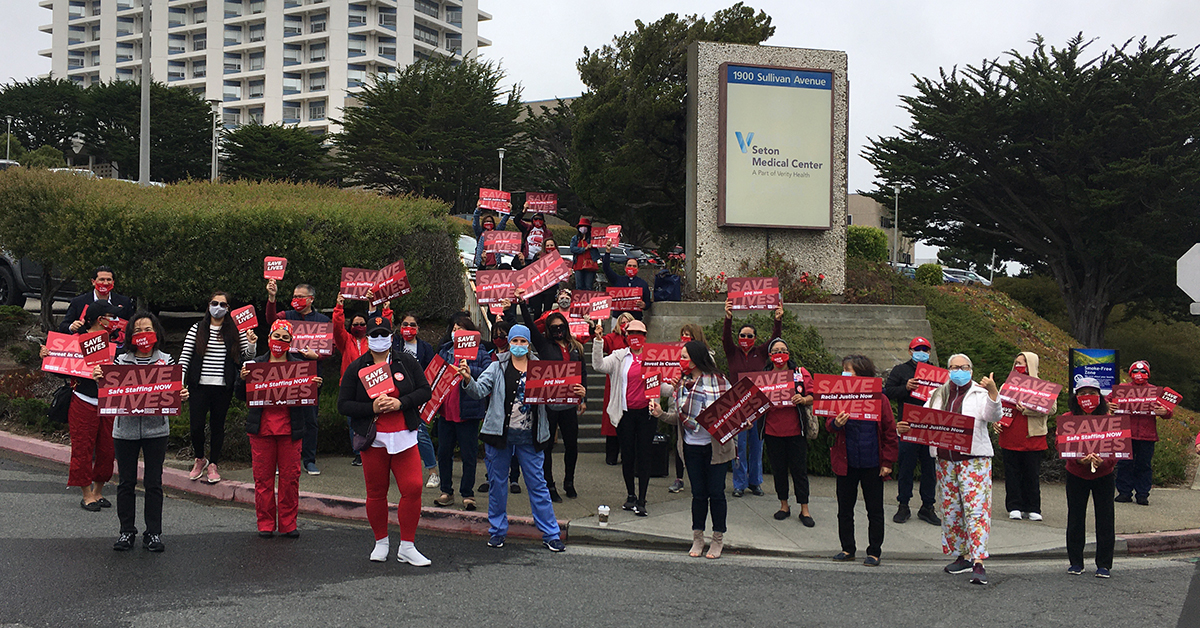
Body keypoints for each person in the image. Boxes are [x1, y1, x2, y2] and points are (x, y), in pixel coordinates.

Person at [458, 324, 573, 552]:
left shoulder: (541, 368)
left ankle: (550, 533)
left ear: (529, 344)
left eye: (523, 342)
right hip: (499, 435)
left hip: (530, 437)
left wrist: (573, 395)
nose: (519, 346)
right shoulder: (496, 366)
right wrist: (468, 379)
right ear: (509, 343)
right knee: (497, 485)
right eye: (515, 341)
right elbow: (480, 391)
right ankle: (497, 531)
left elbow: (554, 403)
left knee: (538, 485)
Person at [338, 315, 433, 565]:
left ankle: (408, 545)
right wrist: (373, 408)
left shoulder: (407, 362)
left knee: (413, 488)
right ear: (367, 338)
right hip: (374, 439)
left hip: (405, 436)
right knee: (376, 492)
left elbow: (425, 390)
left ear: (392, 337)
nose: (379, 339)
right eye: (374, 335)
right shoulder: (356, 367)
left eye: (384, 334)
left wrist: (401, 402)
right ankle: (381, 541)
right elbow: (343, 405)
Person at [903, 353, 1001, 585]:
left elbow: (994, 415)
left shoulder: (979, 392)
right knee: (952, 510)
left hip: (973, 460)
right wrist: (905, 427)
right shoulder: (938, 394)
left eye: (963, 367)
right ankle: (963, 556)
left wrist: (994, 392)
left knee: (976, 510)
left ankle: (979, 561)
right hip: (946, 460)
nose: (958, 370)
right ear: (947, 370)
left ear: (971, 370)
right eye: (953, 367)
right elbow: (924, 421)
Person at [235, 320, 320, 538]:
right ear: (269, 338)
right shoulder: (255, 364)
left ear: (291, 342)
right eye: (277, 336)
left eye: (285, 338)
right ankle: (265, 523)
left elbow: (309, 399)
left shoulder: (300, 366)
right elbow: (240, 396)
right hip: (261, 430)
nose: (280, 341)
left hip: (291, 430)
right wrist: (241, 380)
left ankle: (288, 524)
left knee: (290, 479)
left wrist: (314, 385)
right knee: (262, 479)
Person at [110, 311, 186, 552]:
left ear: (157, 333)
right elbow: (109, 390)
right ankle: (126, 532)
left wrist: (181, 394)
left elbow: (175, 391)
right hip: (125, 431)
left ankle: (153, 532)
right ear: (131, 335)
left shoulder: (167, 361)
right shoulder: (120, 361)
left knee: (154, 483)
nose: (143, 334)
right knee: (126, 483)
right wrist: (100, 376)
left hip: (156, 430)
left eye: (148, 329)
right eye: (138, 330)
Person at [650, 341, 732, 559]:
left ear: (696, 358)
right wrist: (660, 414)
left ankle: (717, 539)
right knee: (698, 495)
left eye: (685, 355)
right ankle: (698, 538)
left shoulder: (720, 381)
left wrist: (743, 421)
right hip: (692, 448)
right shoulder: (682, 385)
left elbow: (733, 411)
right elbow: (679, 417)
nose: (681, 359)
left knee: (716, 494)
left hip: (717, 449)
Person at [41, 301, 122, 511]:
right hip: (83, 401)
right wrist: (47, 356)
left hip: (108, 404)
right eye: (110, 316)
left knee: (107, 449)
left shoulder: (116, 344)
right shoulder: (75, 342)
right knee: (82, 449)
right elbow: (62, 370)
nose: (114, 321)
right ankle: (86, 494)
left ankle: (98, 490)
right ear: (99, 319)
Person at [513, 290, 588, 502]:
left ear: (566, 328)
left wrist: (584, 397)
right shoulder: (545, 346)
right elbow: (529, 326)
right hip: (548, 404)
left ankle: (569, 482)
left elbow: (582, 373)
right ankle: (550, 484)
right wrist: (522, 302)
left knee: (571, 444)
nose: (557, 330)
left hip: (569, 403)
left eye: (560, 327)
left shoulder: (577, 348)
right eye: (553, 327)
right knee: (546, 445)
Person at [179, 291, 256, 484]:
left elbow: (246, 358)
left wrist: (252, 343)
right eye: (215, 303)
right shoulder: (197, 329)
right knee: (196, 426)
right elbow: (184, 358)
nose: (218, 307)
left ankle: (213, 463)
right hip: (198, 386)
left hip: (223, 387)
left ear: (228, 308)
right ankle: (200, 459)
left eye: (223, 304)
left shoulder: (235, 331)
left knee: (217, 426)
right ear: (208, 305)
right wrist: (179, 383)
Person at [829, 355, 898, 566]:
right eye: (844, 370)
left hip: (872, 464)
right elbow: (829, 425)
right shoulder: (839, 396)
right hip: (846, 462)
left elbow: (890, 432)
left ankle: (874, 551)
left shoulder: (880, 399)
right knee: (844, 510)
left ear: (862, 373)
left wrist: (887, 462)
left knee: (874, 510)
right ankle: (847, 548)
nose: (845, 374)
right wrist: (836, 423)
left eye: (849, 370)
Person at [266, 280, 330, 476]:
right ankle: (280, 459)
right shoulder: (287, 316)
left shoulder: (323, 321)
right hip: (285, 374)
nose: (296, 300)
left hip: (310, 375)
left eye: (300, 297)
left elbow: (330, 349)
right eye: (294, 296)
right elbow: (270, 321)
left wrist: (317, 356)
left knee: (310, 419)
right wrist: (272, 297)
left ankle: (309, 460)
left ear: (311, 299)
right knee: (283, 417)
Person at [592, 317, 655, 516]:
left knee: (644, 456)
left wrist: (675, 385)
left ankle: (643, 498)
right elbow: (599, 366)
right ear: (626, 336)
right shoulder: (619, 356)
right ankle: (630, 495)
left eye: (640, 334)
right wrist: (598, 342)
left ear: (645, 336)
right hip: (625, 413)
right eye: (631, 333)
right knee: (627, 455)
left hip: (647, 413)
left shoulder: (653, 357)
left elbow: (662, 385)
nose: (635, 337)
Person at [722, 299, 784, 498]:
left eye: (749, 335)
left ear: (755, 338)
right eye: (742, 335)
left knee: (757, 446)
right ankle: (739, 483)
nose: (745, 338)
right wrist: (728, 318)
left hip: (757, 404)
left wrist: (778, 320)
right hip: (737, 404)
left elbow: (776, 339)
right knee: (739, 447)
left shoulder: (760, 353)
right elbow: (725, 338)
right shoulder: (732, 353)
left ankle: (755, 482)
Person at [882, 336, 941, 526]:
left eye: (925, 349)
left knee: (929, 469)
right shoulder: (901, 370)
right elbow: (888, 392)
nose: (921, 352)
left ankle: (928, 506)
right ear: (910, 351)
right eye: (918, 349)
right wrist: (905, 388)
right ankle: (903, 505)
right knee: (906, 467)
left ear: (929, 352)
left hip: (931, 426)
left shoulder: (938, 373)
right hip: (908, 425)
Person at [433, 315, 489, 511]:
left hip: (468, 413)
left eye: (462, 329)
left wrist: (468, 370)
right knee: (444, 452)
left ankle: (468, 493)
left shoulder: (481, 351)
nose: (457, 332)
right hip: (446, 412)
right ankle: (446, 491)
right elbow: (433, 376)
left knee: (469, 455)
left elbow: (486, 375)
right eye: (455, 329)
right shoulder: (445, 350)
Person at [1062, 377, 1116, 578]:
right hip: (1076, 474)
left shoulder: (1110, 420)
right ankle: (1076, 562)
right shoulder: (1067, 418)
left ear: (1099, 396)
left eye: (1092, 393)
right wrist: (1079, 460)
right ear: (1076, 397)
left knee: (1105, 519)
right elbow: (1064, 447)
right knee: (1075, 518)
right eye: (1083, 393)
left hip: (1104, 475)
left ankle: (1104, 564)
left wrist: (1104, 461)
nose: (1087, 397)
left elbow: (1117, 449)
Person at [332, 293, 392, 466]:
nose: (359, 326)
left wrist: (385, 311)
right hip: (352, 386)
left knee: (378, 418)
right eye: (355, 324)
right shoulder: (345, 341)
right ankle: (358, 451)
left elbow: (384, 329)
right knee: (354, 422)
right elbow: (337, 327)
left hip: (375, 381)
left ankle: (378, 448)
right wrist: (339, 308)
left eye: (362, 324)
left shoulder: (373, 341)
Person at [763, 338, 816, 527]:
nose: (779, 353)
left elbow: (814, 396)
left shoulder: (799, 373)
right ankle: (784, 505)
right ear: (770, 355)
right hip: (772, 431)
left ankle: (805, 509)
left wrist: (803, 399)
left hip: (796, 430)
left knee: (799, 471)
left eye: (783, 349)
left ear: (788, 353)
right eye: (775, 350)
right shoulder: (764, 376)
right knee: (779, 470)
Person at [993, 351, 1049, 521]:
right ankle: (1014, 506)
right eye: (1016, 363)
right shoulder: (1006, 385)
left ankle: (1033, 507)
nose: (1019, 366)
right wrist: (995, 421)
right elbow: (997, 406)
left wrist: (1027, 409)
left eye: (1023, 363)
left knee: (1031, 473)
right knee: (1012, 473)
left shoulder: (1042, 386)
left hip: (1032, 437)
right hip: (1010, 435)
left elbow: (1051, 409)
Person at [1113, 360, 1172, 505]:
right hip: (1125, 434)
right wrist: (1109, 406)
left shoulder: (1155, 391)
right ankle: (1124, 492)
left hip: (1147, 435)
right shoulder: (1122, 389)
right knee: (1124, 464)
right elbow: (1107, 403)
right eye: (1135, 371)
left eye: (1143, 372)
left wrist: (1165, 412)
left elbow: (1167, 411)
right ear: (1130, 373)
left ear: (1148, 374)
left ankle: (1142, 494)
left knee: (1144, 465)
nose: (1139, 375)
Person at [396, 312, 440, 489]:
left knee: (420, 433)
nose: (408, 328)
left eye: (412, 325)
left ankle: (433, 472)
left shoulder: (426, 348)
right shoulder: (394, 344)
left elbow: (431, 372)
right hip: (396, 395)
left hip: (417, 397)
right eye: (405, 324)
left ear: (418, 328)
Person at [599, 312, 635, 466]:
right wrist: (598, 337)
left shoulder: (635, 339)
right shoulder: (612, 338)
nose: (624, 324)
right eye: (622, 321)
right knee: (612, 421)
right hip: (614, 385)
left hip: (632, 386)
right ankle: (611, 455)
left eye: (627, 322)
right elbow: (603, 347)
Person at [58, 266, 134, 334]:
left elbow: (132, 325)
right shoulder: (78, 302)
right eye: (101, 279)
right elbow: (63, 326)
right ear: (93, 282)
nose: (105, 283)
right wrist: (71, 327)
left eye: (109, 279)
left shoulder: (124, 302)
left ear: (113, 282)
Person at [602, 244, 652, 321]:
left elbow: (648, 302)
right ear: (625, 268)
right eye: (629, 265)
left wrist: (644, 305)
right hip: (618, 319)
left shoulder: (643, 284)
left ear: (638, 269)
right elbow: (606, 268)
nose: (631, 268)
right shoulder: (617, 279)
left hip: (635, 319)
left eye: (634, 266)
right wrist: (608, 252)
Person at [473, 202, 512, 270]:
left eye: (490, 221)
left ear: (493, 223)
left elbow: (503, 223)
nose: (488, 223)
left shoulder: (496, 233)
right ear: (483, 223)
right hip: (482, 265)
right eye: (486, 221)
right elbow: (475, 223)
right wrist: (478, 210)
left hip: (494, 266)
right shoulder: (480, 233)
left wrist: (508, 211)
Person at [569, 217, 600, 290]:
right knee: (579, 286)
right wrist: (584, 249)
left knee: (588, 286)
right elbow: (572, 249)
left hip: (590, 265)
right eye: (581, 226)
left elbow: (598, 248)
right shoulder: (575, 238)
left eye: (585, 226)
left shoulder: (592, 238)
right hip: (578, 265)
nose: (583, 228)